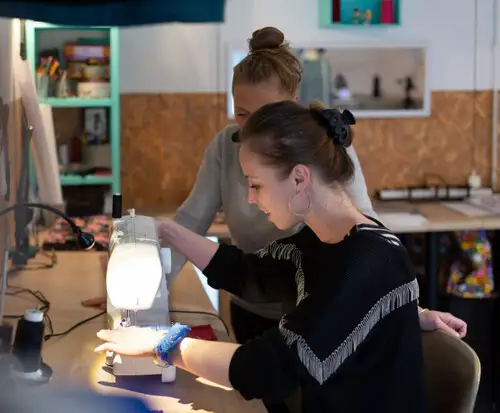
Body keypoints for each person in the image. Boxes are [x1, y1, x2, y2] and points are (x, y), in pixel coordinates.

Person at [95, 101, 427, 413]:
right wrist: (169, 232)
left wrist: (161, 344)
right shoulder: (319, 240)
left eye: (256, 185)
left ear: (299, 178)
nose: (251, 199)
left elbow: (264, 369)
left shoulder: (366, 263)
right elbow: (249, 273)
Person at [168, 26, 466, 349]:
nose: (252, 127)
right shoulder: (225, 148)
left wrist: (406, 309)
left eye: (266, 114)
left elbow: (365, 238)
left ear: (300, 177)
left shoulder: (322, 144)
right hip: (251, 302)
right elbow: (189, 227)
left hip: (317, 315)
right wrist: (149, 290)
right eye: (242, 114)